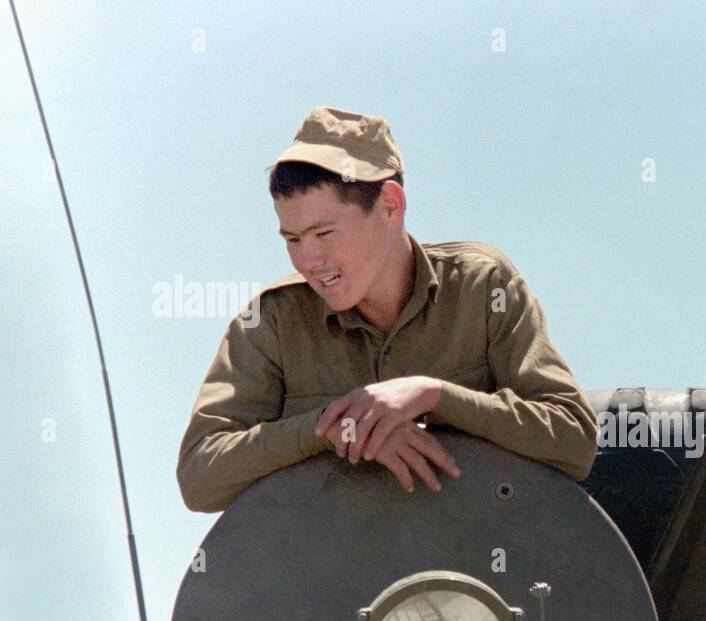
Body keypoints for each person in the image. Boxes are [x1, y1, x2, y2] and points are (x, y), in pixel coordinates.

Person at [177, 106, 598, 513]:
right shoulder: (271, 322)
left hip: (475, 555)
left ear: (390, 206)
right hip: (333, 558)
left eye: (325, 233)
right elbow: (200, 478)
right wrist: (335, 426)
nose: (309, 260)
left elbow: (574, 441)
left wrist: (434, 396)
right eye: (293, 239)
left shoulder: (482, 288)